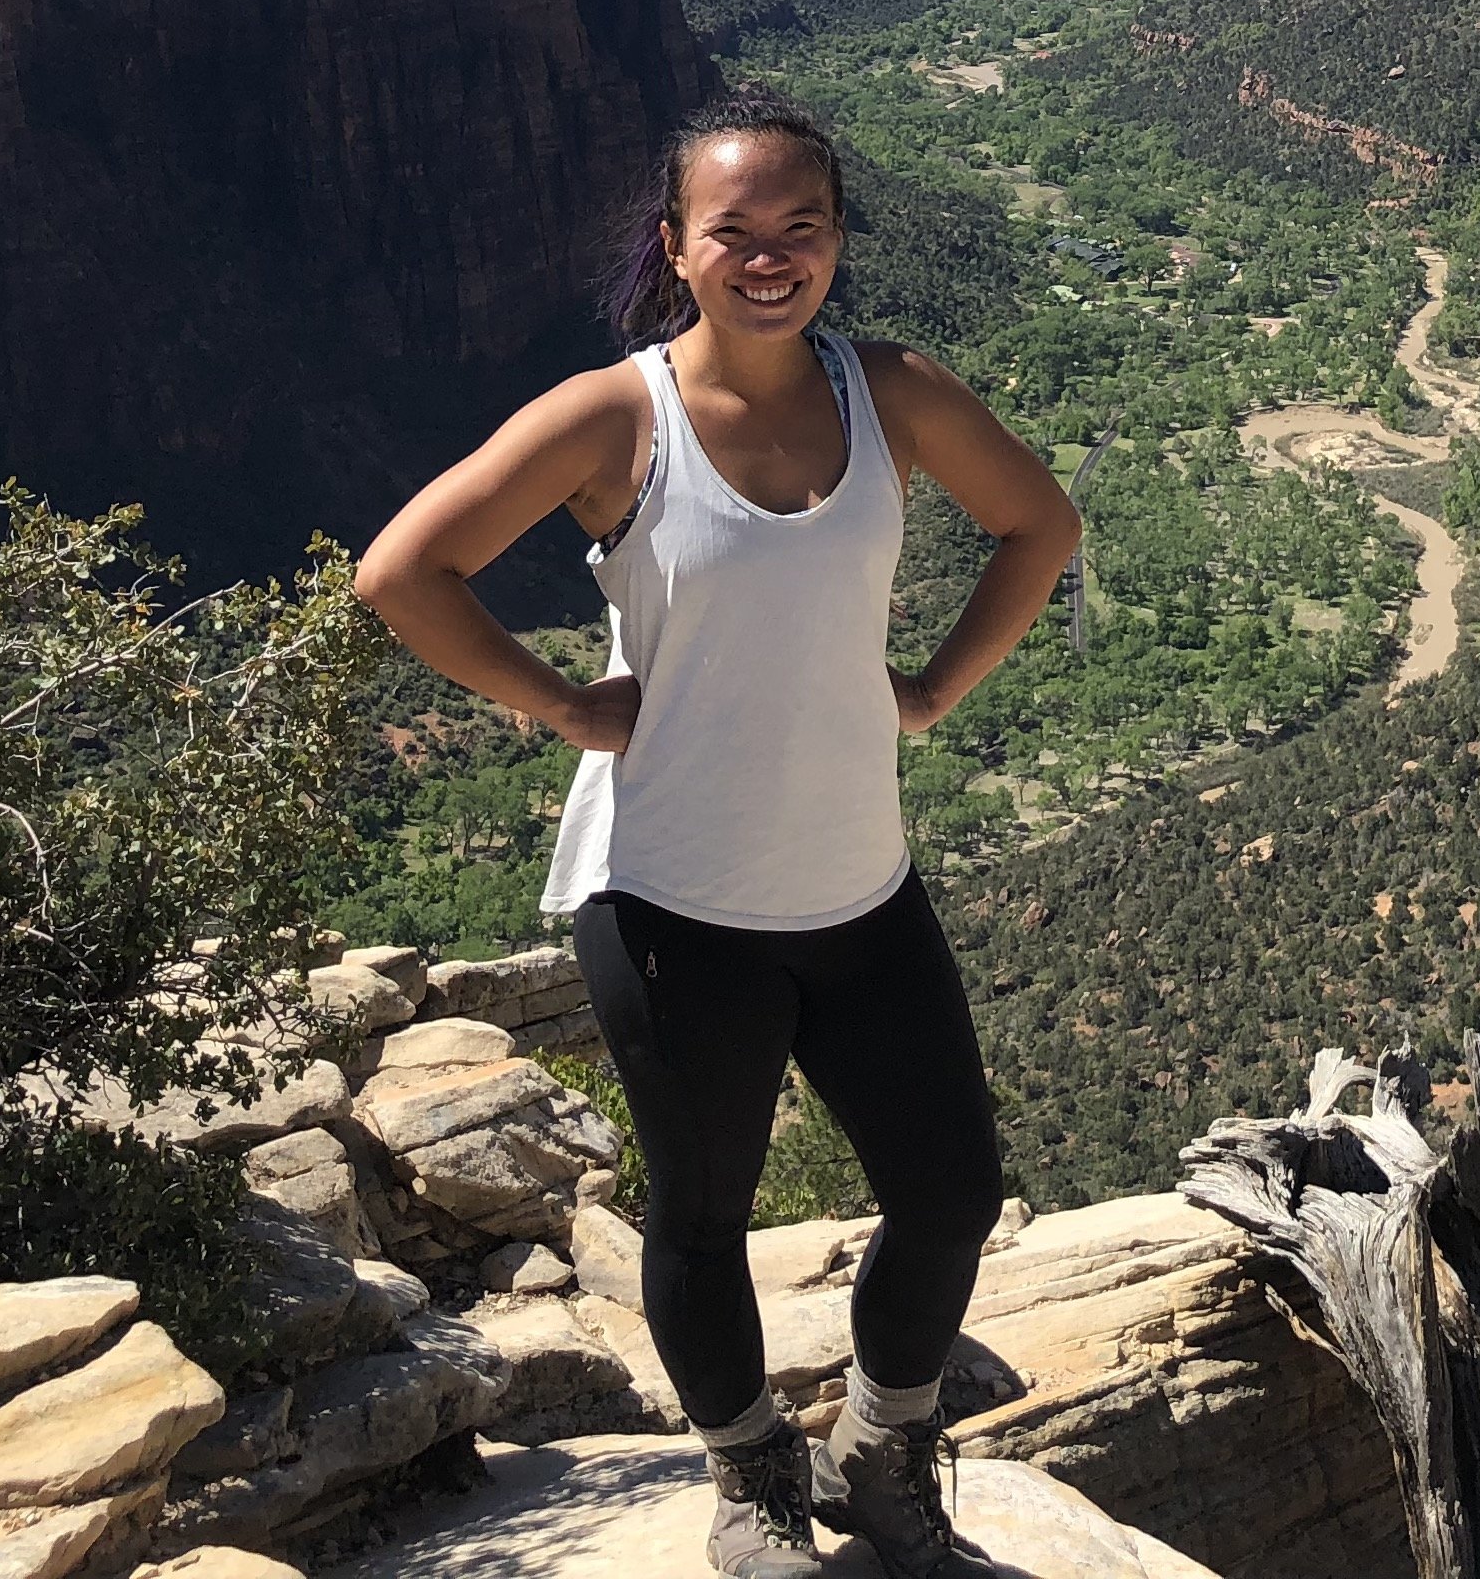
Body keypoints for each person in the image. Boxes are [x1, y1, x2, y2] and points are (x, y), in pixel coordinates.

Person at [355, 94, 1081, 1579]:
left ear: (835, 241)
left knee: (949, 1194)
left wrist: (933, 690)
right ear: (675, 244)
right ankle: (753, 1478)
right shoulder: (615, 418)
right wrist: (561, 704)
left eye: (800, 228)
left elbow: (1041, 527)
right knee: (701, 1220)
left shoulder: (895, 392)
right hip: (674, 902)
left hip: (859, 887)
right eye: (733, 232)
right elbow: (402, 572)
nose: (769, 258)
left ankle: (884, 1457)